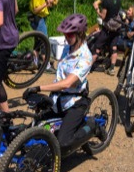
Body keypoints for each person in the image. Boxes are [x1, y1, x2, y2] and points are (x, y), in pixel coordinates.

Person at [23, 13, 102, 153]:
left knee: (63, 144)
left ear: (79, 33)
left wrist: (39, 88)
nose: (66, 37)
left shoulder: (85, 57)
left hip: (75, 103)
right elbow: (59, 74)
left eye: (70, 35)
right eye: (65, 34)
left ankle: (93, 126)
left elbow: (67, 84)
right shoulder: (67, 48)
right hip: (58, 100)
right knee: (32, 130)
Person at [91, 0, 123, 74]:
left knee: (97, 47)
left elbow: (103, 16)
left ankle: (88, 68)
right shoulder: (118, 0)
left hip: (107, 29)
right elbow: (111, 3)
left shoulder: (106, 2)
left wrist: (97, 9)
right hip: (116, 28)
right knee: (113, 47)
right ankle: (112, 68)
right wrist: (101, 1)